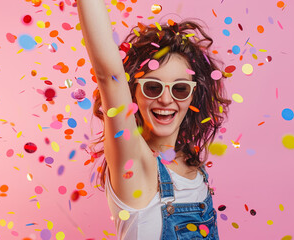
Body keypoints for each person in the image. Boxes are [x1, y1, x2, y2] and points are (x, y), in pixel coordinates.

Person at [77, 1, 231, 239]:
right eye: (152, 87)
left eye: (179, 89)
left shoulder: (192, 166)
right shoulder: (135, 163)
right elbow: (109, 76)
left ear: (192, 95)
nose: (166, 100)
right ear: (133, 93)